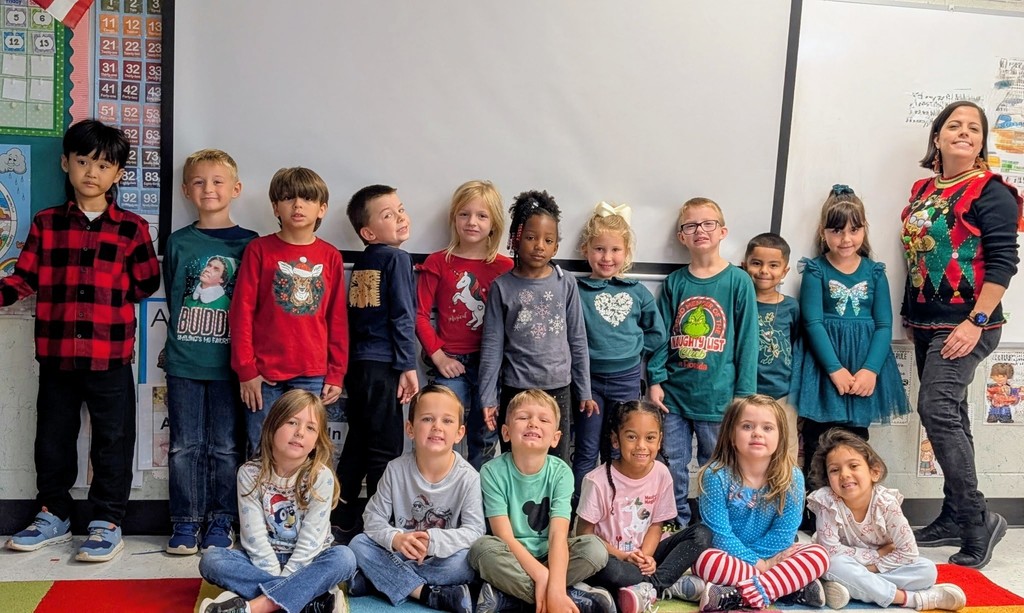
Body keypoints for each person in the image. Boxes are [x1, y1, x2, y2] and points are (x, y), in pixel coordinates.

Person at [2, 120, 160, 562]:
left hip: (110, 357)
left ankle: (107, 520)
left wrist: (107, 301)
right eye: (83, 161)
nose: (92, 172)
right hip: (57, 355)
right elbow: (26, 277)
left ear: (118, 174)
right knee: (52, 439)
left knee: (114, 439)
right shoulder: (47, 223)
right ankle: (52, 514)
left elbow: (146, 283)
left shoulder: (131, 228)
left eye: (104, 165)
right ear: (66, 163)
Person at [902, 100, 1020, 569]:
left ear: (981, 141)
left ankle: (977, 520)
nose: (965, 132)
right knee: (946, 412)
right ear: (937, 137)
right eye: (955, 125)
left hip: (970, 322)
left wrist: (975, 322)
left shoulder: (993, 192)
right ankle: (952, 513)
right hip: (927, 324)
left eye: (975, 128)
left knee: (935, 406)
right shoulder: (923, 189)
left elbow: (1004, 264)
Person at [163, 149, 257, 554]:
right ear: (185, 190)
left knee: (225, 446)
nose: (209, 189)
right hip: (185, 361)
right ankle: (185, 522)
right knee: (184, 446)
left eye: (218, 181)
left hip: (229, 366)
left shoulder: (249, 244)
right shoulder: (179, 241)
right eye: (199, 182)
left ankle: (222, 520)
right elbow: (173, 294)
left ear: (235, 189)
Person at [647, 197, 758, 527]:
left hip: (720, 398)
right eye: (691, 225)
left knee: (717, 466)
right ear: (682, 236)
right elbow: (658, 336)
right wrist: (655, 380)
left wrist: (744, 395)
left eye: (708, 223)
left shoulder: (738, 282)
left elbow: (748, 340)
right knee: (673, 464)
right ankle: (675, 525)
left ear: (722, 231)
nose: (700, 231)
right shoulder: (675, 283)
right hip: (674, 397)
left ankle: (715, 526)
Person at [198, 390, 356, 613]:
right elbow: (254, 539)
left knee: (345, 558)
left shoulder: (320, 477)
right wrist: (282, 581)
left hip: (310, 561)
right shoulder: (249, 473)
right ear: (272, 427)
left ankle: (255, 607)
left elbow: (312, 541)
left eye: (310, 428)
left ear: (316, 441)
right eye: (292, 422)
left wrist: (290, 576)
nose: (300, 432)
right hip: (261, 561)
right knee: (212, 560)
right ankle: (310, 602)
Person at [229, 167, 348, 455]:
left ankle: (304, 502)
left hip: (312, 373)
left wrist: (336, 373)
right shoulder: (259, 250)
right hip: (263, 374)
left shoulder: (330, 256)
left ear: (322, 209)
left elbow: (337, 320)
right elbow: (241, 312)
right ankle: (262, 502)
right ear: (275, 207)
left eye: (307, 199)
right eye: (288, 198)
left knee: (306, 451)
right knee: (262, 448)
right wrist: (247, 370)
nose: (297, 206)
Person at [795, 185, 909, 478]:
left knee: (856, 437)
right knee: (816, 436)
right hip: (824, 368)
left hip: (864, 365)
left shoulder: (874, 272)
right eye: (836, 231)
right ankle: (815, 506)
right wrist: (835, 369)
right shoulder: (816, 270)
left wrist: (870, 370)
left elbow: (884, 325)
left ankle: (851, 504)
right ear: (824, 232)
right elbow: (813, 322)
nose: (846, 239)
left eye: (854, 230)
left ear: (863, 230)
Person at [469, 389, 613, 613]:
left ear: (555, 438)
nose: (533, 424)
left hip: (552, 552)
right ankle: (570, 597)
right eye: (523, 417)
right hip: (511, 555)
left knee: (595, 548)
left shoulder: (561, 473)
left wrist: (553, 582)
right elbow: (504, 535)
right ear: (506, 433)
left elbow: (558, 535)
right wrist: (542, 575)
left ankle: (513, 599)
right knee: (481, 549)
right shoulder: (492, 471)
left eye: (543, 420)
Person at [348, 385, 486, 613]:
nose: (437, 427)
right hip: (400, 552)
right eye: (427, 419)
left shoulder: (468, 477)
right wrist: (396, 539)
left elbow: (474, 531)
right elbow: (372, 518)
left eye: (447, 421)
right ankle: (425, 593)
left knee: (466, 562)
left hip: (438, 558)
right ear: (410, 428)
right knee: (358, 545)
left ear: (460, 433)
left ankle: (378, 581)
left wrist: (432, 541)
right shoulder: (395, 469)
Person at [479, 190, 594, 462]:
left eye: (548, 240)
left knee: (558, 460)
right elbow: (492, 346)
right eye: (531, 238)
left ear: (556, 247)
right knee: (516, 459)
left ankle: (556, 507)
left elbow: (577, 339)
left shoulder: (566, 283)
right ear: (516, 240)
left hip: (558, 388)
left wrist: (584, 389)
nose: (539, 245)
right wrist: (487, 397)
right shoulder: (502, 287)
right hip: (516, 389)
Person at [335, 184, 419, 538]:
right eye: (388, 215)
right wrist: (407, 365)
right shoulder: (397, 259)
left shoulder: (365, 260)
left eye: (400, 209)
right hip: (384, 364)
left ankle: (339, 515)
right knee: (385, 445)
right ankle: (377, 523)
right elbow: (402, 316)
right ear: (368, 232)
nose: (400, 217)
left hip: (359, 366)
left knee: (359, 441)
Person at [693, 394, 829, 612]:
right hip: (728, 556)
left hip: (774, 555)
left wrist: (766, 561)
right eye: (747, 426)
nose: (757, 433)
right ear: (730, 435)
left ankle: (736, 595)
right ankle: (788, 588)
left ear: (780, 437)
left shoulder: (792, 477)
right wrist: (761, 565)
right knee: (705, 560)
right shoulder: (715, 475)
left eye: (767, 428)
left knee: (818, 555)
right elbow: (719, 534)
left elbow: (784, 533)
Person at [806, 429, 966, 611]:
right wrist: (879, 554)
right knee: (832, 564)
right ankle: (910, 599)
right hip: (848, 563)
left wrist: (868, 570)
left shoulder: (886, 502)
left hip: (879, 567)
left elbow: (908, 552)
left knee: (927, 570)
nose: (844, 474)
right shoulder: (827, 501)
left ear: (874, 472)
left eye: (853, 466)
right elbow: (831, 551)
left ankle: (850, 588)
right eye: (834, 470)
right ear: (828, 479)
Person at [576, 400, 712, 613]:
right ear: (615, 439)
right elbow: (584, 535)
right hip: (612, 557)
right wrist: (623, 556)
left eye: (650, 438)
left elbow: (657, 524)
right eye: (631, 437)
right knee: (610, 571)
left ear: (659, 441)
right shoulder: (597, 481)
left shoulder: (661, 473)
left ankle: (650, 586)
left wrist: (646, 556)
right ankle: (663, 583)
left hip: (646, 554)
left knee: (701, 534)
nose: (641, 446)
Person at [415, 181, 512, 469]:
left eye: (482, 216)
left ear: (494, 223)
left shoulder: (505, 268)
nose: (472, 222)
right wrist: (438, 355)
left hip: (491, 367)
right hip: (451, 363)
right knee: (440, 432)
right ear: (453, 218)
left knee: (484, 437)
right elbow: (419, 315)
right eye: (464, 214)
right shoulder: (438, 262)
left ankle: (478, 506)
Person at [573, 203, 666, 494]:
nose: (607, 257)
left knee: (620, 447)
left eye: (615, 250)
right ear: (586, 250)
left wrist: (633, 351)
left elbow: (657, 334)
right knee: (587, 448)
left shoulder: (637, 291)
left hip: (626, 380)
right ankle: (580, 511)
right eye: (599, 249)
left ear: (626, 253)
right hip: (588, 382)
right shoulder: (576, 291)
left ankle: (619, 505)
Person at [740, 232, 800, 462]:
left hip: (782, 395)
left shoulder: (791, 307)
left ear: (784, 271)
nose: (764, 271)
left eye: (773, 265)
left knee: (786, 453)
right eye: (757, 263)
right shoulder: (740, 304)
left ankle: (787, 496)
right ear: (745, 266)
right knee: (748, 452)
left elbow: (796, 344)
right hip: (746, 394)